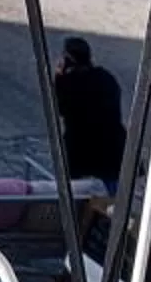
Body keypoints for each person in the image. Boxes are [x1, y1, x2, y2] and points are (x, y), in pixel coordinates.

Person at [53, 37, 127, 193]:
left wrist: (59, 78)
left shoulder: (69, 83)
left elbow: (59, 108)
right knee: (112, 192)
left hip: (81, 147)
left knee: (75, 191)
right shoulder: (105, 77)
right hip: (112, 144)